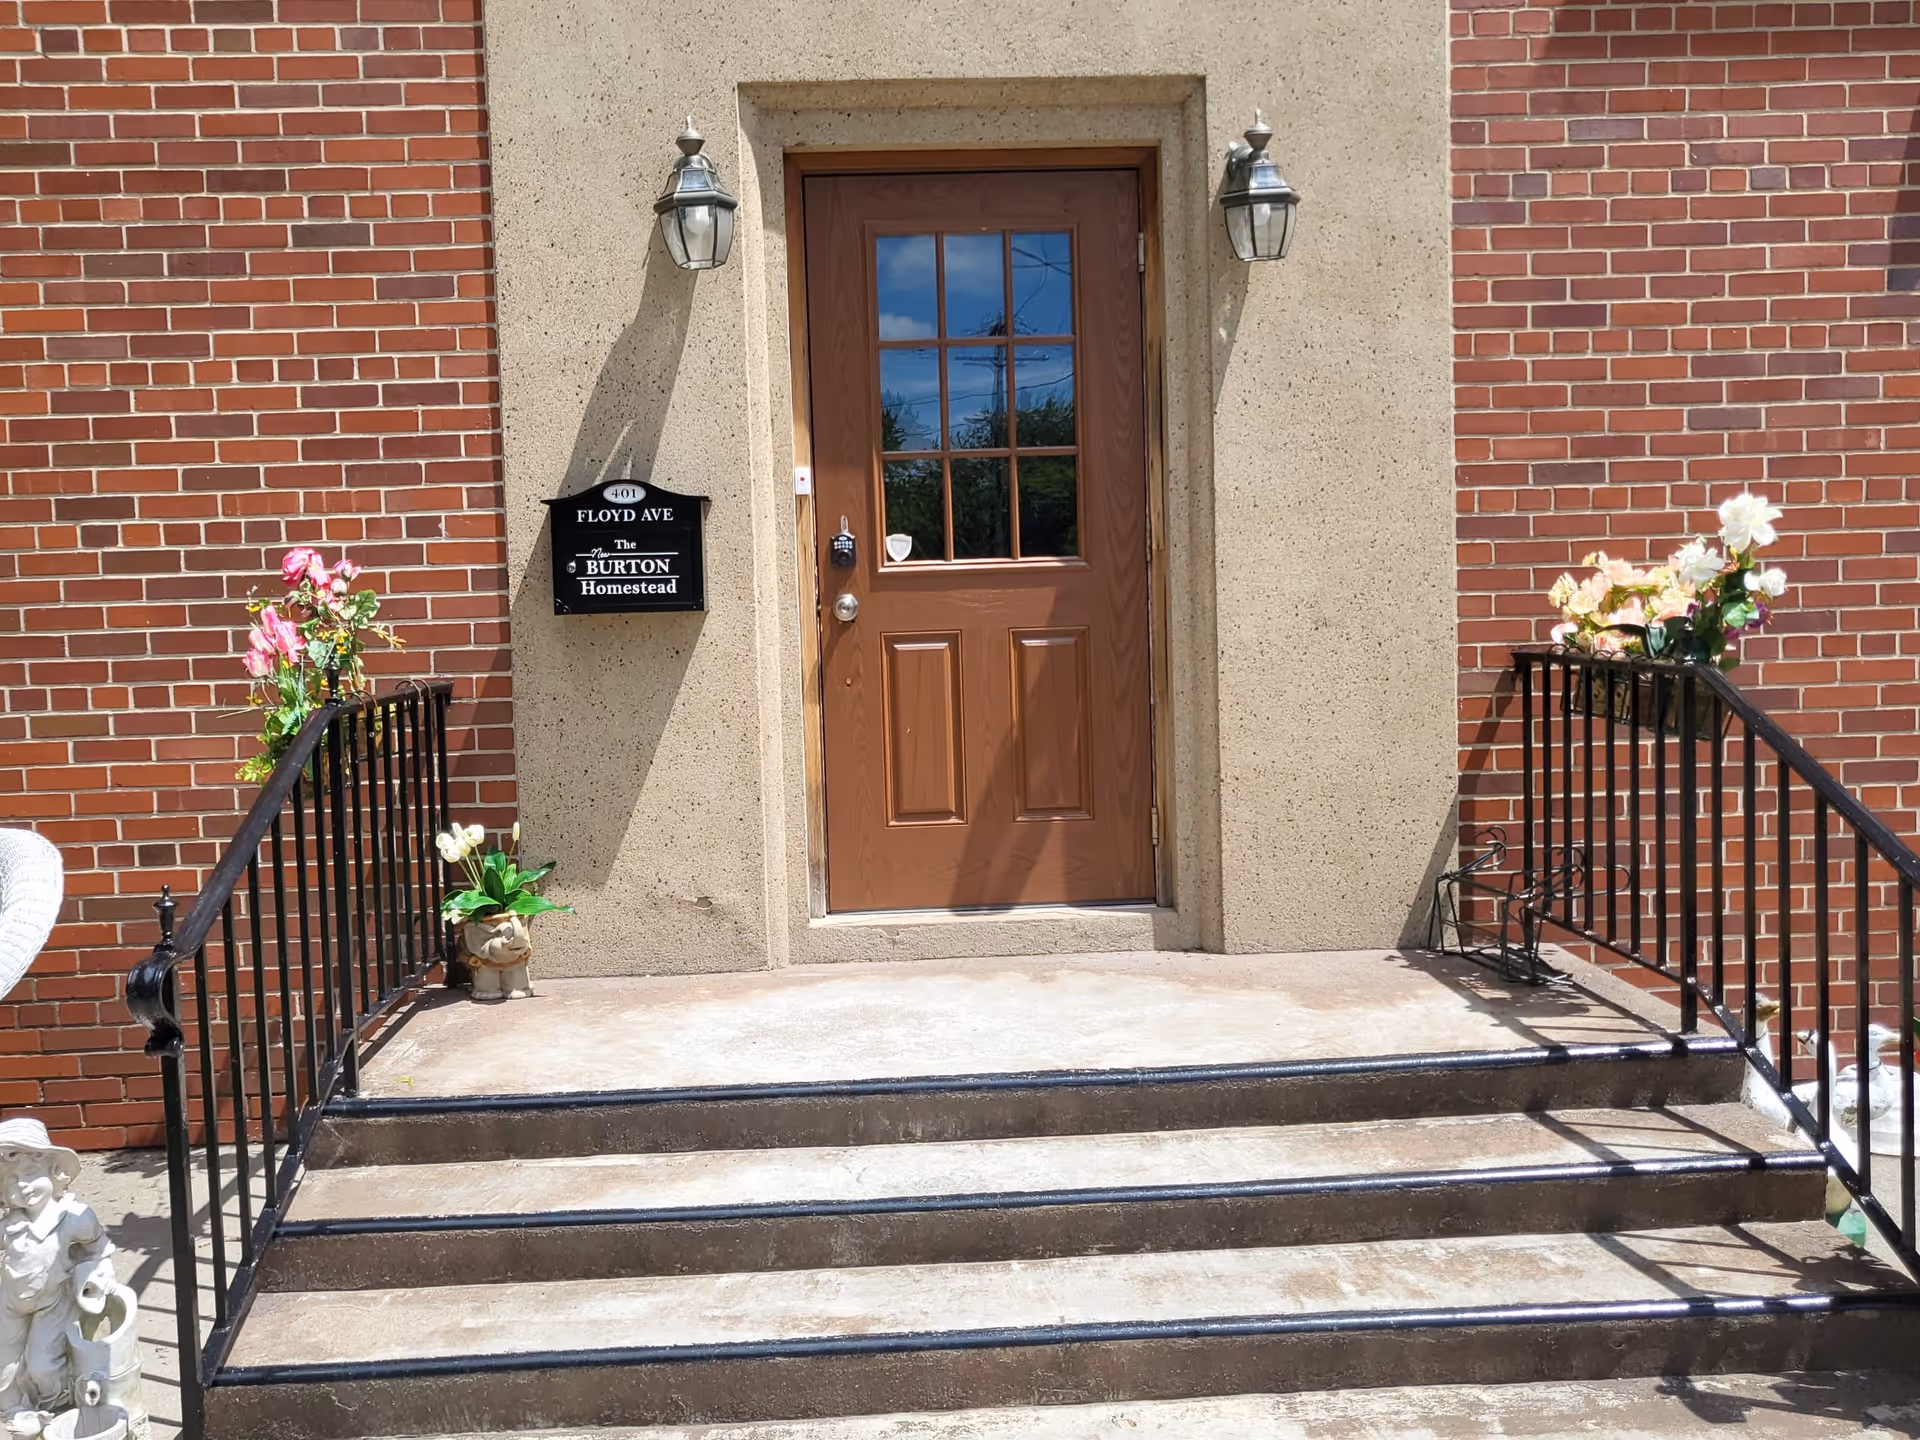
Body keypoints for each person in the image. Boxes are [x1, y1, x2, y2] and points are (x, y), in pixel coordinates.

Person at [0, 1119, 115, 1434]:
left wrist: (97, 1274)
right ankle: (14, 1409)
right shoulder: (9, 1223)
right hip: (9, 1301)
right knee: (4, 1363)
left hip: (53, 1300)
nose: (21, 1186)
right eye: (10, 1180)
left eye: (29, 1175)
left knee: (43, 1364)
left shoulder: (72, 1218)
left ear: (53, 1172)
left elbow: (99, 1249)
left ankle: (53, 1410)